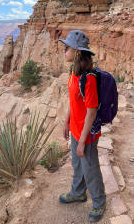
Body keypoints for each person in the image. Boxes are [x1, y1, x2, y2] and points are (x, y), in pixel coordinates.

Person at [57, 29, 106, 222]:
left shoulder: (89, 78)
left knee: (91, 168)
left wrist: (83, 141)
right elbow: (72, 101)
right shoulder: (73, 72)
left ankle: (99, 202)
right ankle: (78, 193)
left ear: (77, 52)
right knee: (78, 165)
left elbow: (92, 111)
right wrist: (66, 122)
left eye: (66, 48)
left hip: (87, 134)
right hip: (76, 129)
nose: (64, 51)